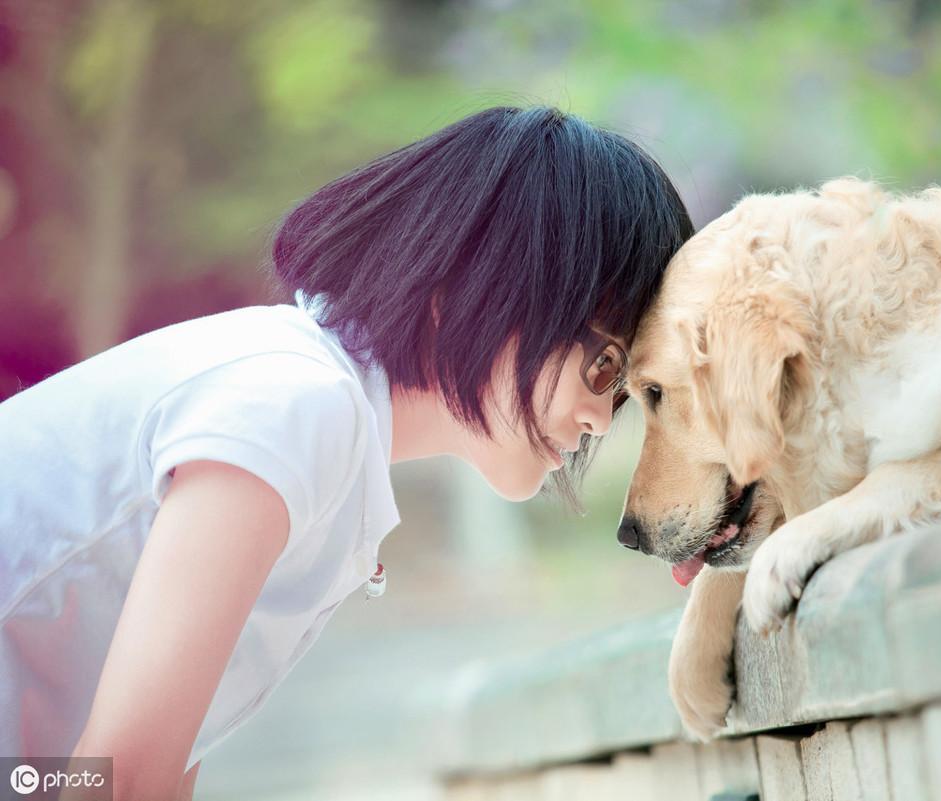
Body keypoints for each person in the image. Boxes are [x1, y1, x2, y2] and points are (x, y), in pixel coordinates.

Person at [0, 105, 694, 800]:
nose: (602, 418)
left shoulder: (321, 435)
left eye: (624, 385)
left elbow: (109, 775)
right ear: (482, 286)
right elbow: (121, 778)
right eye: (605, 365)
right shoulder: (297, 405)